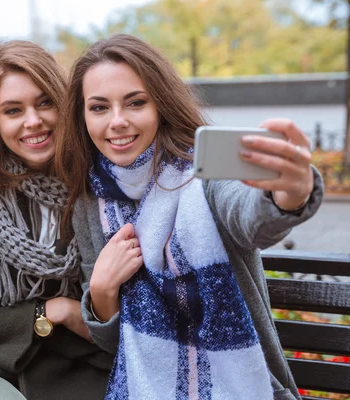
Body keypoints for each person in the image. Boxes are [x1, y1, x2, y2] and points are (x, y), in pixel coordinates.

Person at [55, 33, 324, 400]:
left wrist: (289, 193)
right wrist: (102, 291)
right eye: (99, 107)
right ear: (82, 116)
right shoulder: (90, 203)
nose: (117, 121)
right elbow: (115, 345)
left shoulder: (202, 171)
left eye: (135, 103)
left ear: (160, 105)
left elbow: (251, 216)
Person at [0, 40, 112, 400]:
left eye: (45, 102)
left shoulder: (102, 188)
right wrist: (50, 312)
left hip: (90, 369)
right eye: (13, 110)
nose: (33, 121)